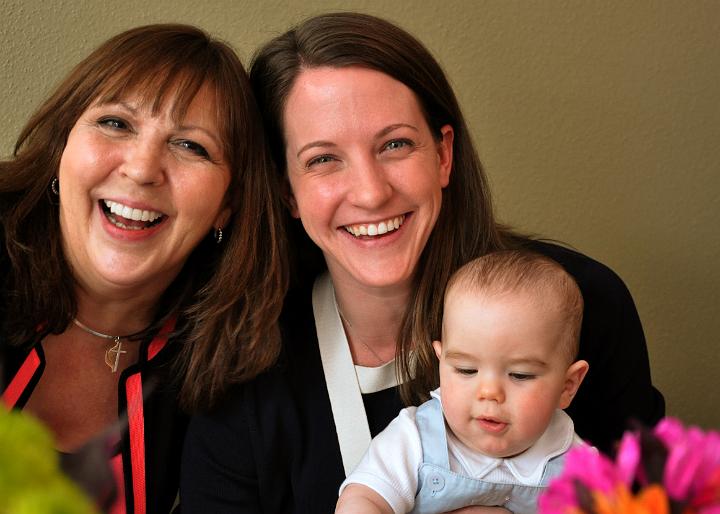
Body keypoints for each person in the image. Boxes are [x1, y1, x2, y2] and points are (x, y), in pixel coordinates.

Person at [180, 12, 664, 513]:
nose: (370, 192)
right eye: (323, 159)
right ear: (287, 190)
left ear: (444, 155)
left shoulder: (582, 306)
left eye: (395, 144)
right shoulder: (245, 363)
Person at [0, 24, 286, 514]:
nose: (141, 168)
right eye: (116, 123)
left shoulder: (242, 366)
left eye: (191, 146)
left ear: (226, 205)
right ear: (61, 149)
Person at [336, 250, 590, 514]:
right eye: (466, 370)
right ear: (441, 362)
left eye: (520, 375)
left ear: (567, 385)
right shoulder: (415, 439)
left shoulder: (579, 468)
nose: (489, 393)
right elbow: (364, 498)